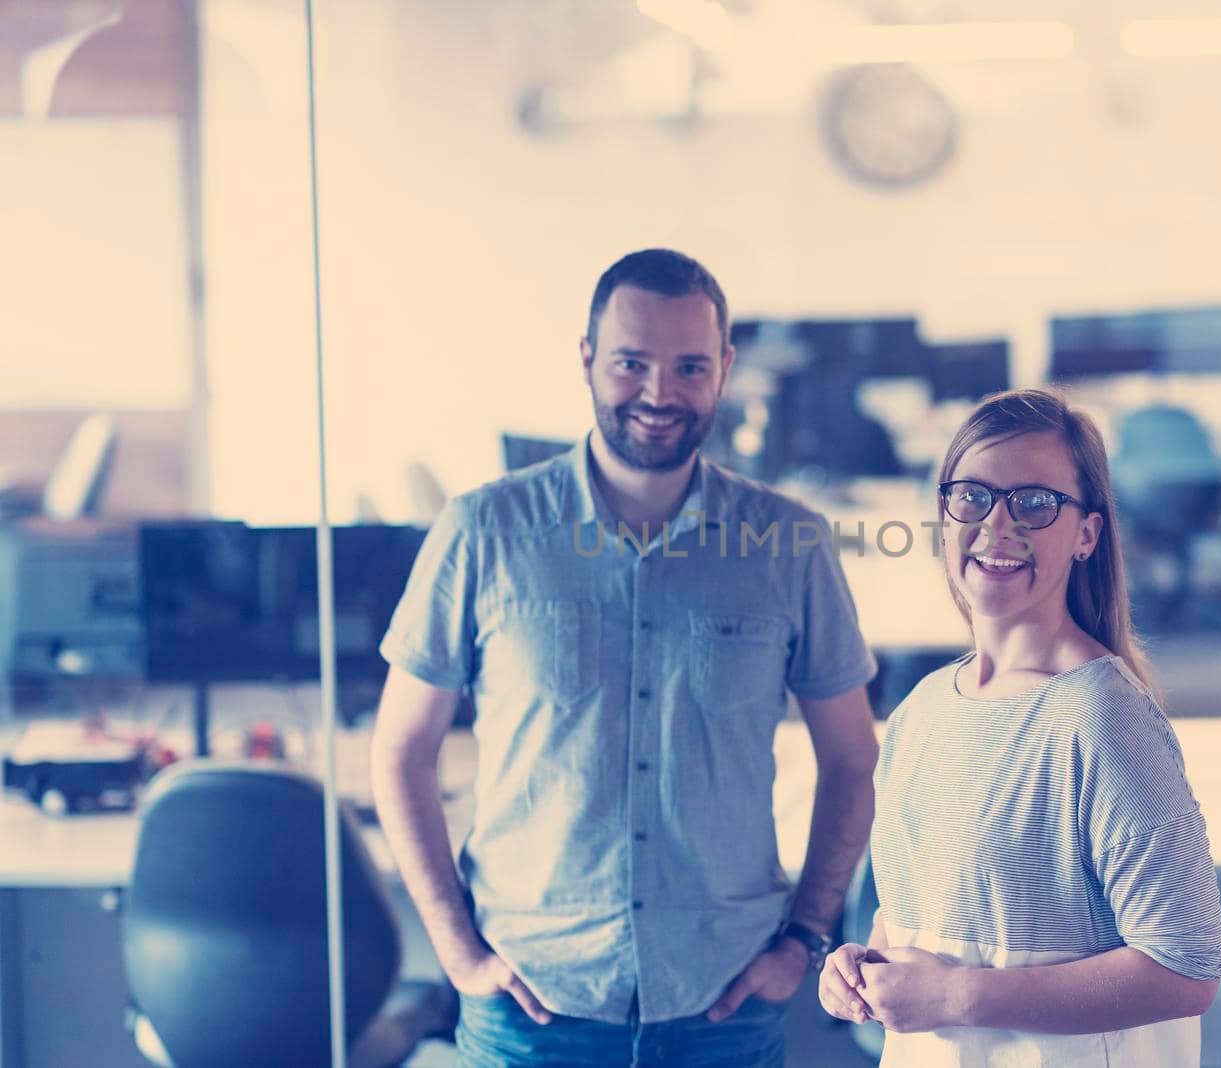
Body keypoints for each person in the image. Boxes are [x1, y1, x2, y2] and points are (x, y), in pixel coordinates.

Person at [371, 248, 880, 1067]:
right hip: (532, 1008)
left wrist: (805, 939)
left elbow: (853, 760)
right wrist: (458, 952)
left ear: (724, 369)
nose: (658, 393)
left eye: (688, 366)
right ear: (586, 360)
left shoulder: (789, 543)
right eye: (631, 363)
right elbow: (399, 751)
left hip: (723, 1006)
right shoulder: (483, 532)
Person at [818, 388, 1221, 1066]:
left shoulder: (1102, 719)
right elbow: (914, 921)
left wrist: (954, 997)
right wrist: (860, 967)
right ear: (944, 517)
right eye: (972, 496)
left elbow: (1187, 968)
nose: (997, 526)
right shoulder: (921, 711)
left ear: (1088, 534)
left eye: (1035, 504)